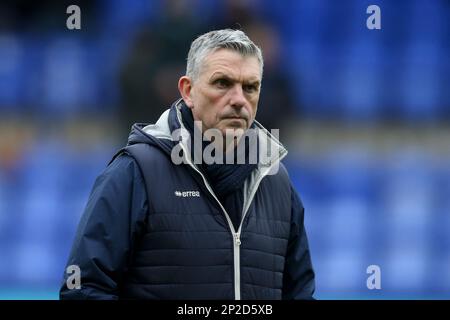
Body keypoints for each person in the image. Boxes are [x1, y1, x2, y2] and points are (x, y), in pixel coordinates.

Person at [59, 29, 315, 300]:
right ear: (188, 91)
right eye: (222, 83)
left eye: (250, 87)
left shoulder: (277, 182)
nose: (239, 99)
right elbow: (82, 289)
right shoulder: (136, 172)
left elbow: (301, 294)